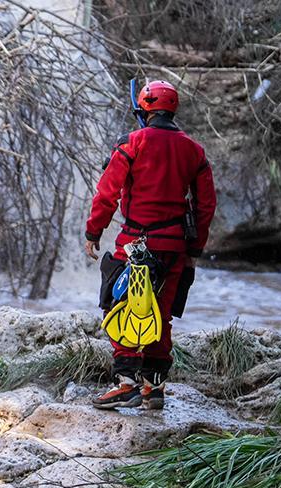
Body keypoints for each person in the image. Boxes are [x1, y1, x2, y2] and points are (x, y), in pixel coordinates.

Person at [86, 80, 217, 409]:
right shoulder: (193, 150)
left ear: (144, 109)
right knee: (160, 314)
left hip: (135, 243)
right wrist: (194, 251)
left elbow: (107, 193)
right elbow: (206, 206)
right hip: (174, 246)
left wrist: (93, 233)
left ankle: (125, 382)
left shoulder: (133, 143)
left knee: (119, 306)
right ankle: (153, 388)